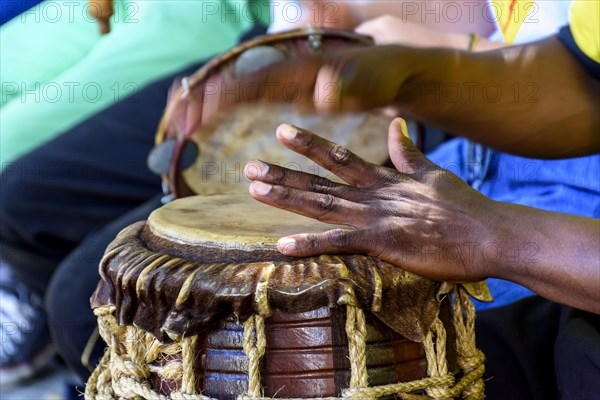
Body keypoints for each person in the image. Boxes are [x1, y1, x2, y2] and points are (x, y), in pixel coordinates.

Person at [234, 0, 600, 397]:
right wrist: (411, 77)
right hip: (502, 170)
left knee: (361, 352)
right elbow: (584, 77)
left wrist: (492, 236)